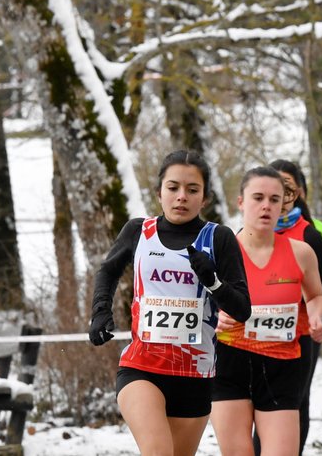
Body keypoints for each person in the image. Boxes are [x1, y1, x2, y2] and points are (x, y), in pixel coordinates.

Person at [88, 150, 252, 456]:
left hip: (195, 375)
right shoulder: (139, 231)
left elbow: (243, 309)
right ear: (160, 192)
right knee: (158, 451)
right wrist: (100, 311)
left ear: (204, 198)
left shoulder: (219, 238)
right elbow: (108, 270)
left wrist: (213, 281)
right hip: (141, 367)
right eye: (173, 187)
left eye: (192, 190)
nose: (181, 197)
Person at [211, 166, 322, 456]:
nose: (266, 206)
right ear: (241, 202)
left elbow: (316, 295)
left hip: (282, 364)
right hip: (230, 363)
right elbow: (201, 308)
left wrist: (315, 315)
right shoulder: (219, 252)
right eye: (258, 197)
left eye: (274, 199)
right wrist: (216, 318)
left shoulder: (301, 252)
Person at [268, 159, 322, 454]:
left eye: (287, 187)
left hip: (299, 334)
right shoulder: (248, 233)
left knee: (295, 401)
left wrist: (294, 290)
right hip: (255, 335)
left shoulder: (311, 234)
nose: (280, 193)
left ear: (296, 193)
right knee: (260, 402)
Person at [270, 159, 322, 259]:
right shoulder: (251, 233)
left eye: (287, 187)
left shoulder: (316, 233)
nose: (280, 193)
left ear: (299, 192)